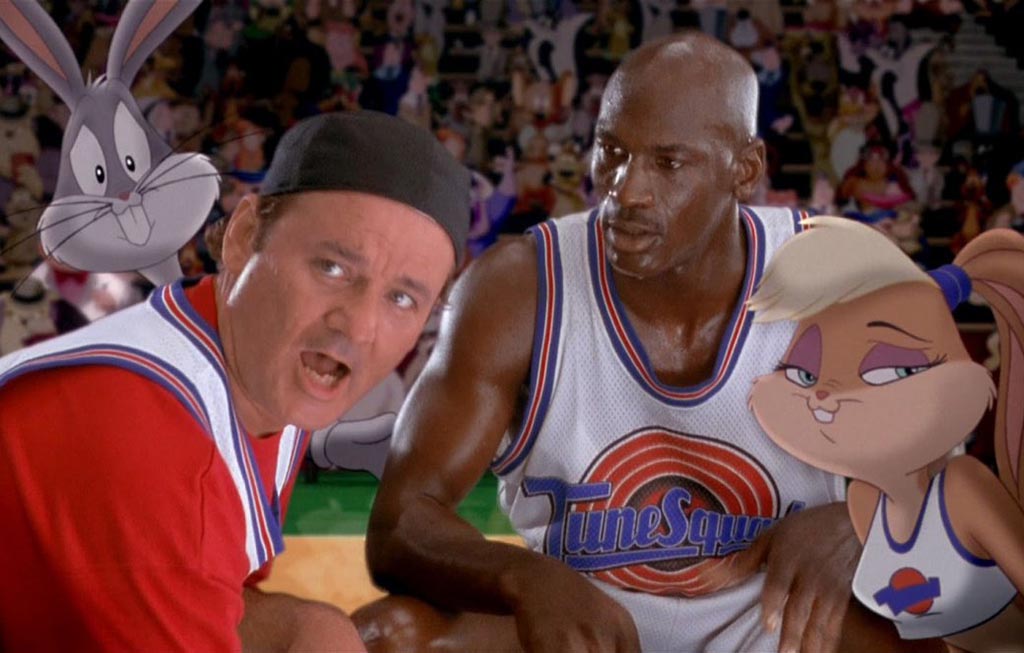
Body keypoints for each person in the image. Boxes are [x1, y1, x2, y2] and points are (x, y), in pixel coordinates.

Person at [355, 33, 946, 652]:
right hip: (582, 621)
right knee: (388, 636)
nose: (625, 190)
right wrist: (523, 578)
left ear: (745, 169)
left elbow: (953, 477)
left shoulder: (838, 279)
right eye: (612, 152)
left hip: (778, 624)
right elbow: (400, 524)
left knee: (928, 629)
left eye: (668, 163)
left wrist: (863, 520)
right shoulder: (519, 287)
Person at [0, 110, 469, 652]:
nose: (359, 326)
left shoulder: (257, 367)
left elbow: (224, 589)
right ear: (245, 236)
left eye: (402, 298)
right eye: (332, 268)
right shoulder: (162, 451)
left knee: (319, 636)